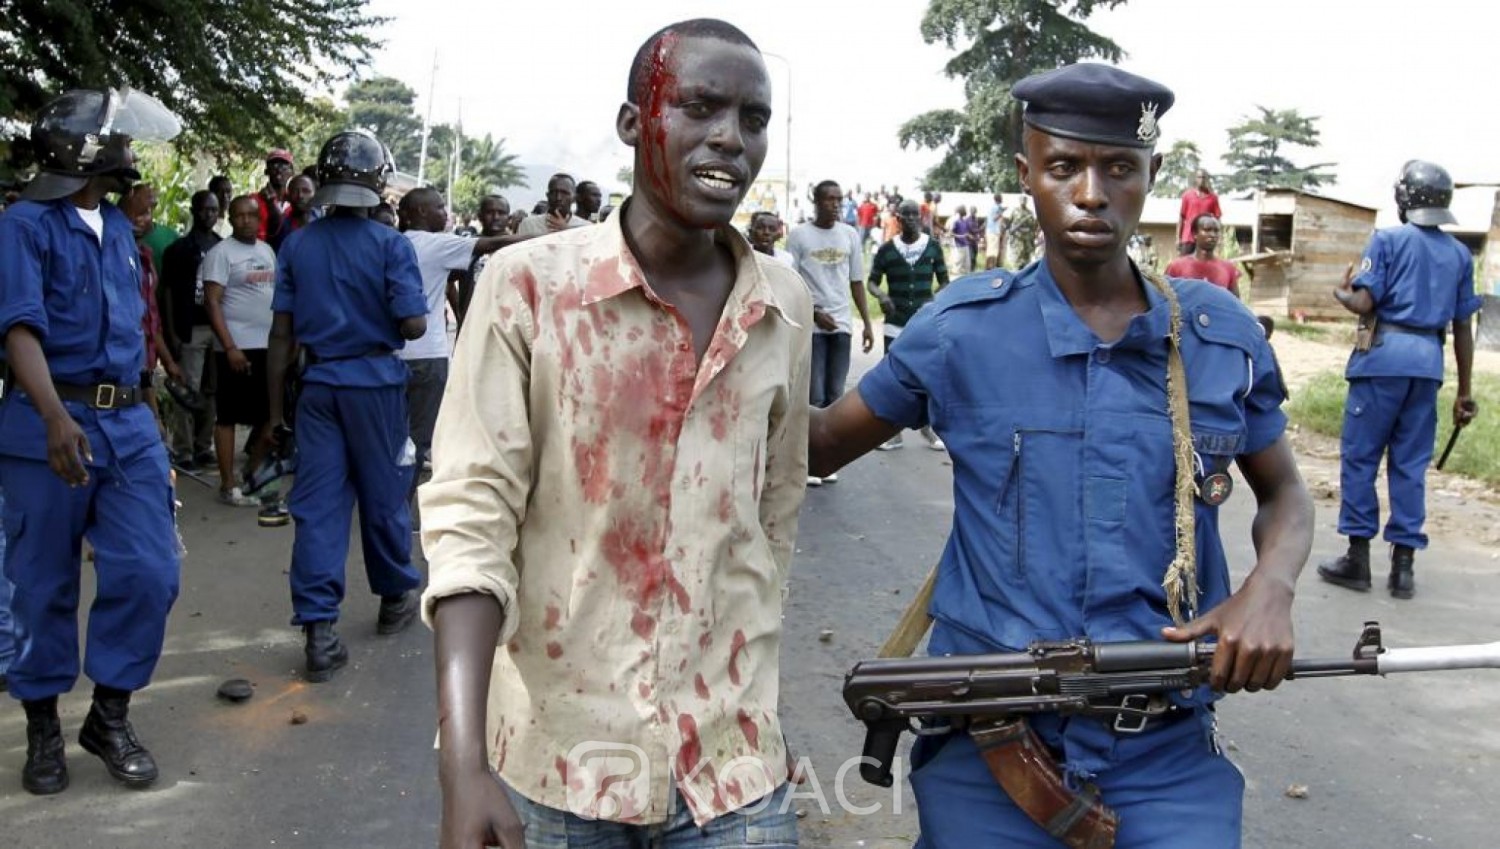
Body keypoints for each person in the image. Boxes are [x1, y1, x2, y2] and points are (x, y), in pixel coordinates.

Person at [807, 63, 1313, 847]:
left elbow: (1284, 492)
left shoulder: (1216, 337)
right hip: (991, 752)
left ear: (1153, 176)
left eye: (1119, 168)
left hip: (1167, 753)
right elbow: (817, 443)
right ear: (1025, 175)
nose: (1090, 193)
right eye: (1064, 166)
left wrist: (1270, 586)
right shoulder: (959, 332)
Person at [421, 18, 810, 848]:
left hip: (732, 772)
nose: (729, 139)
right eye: (700, 107)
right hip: (557, 766)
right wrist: (463, 768)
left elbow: (771, 521)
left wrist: (760, 708)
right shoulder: (528, 287)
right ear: (636, 123)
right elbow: (470, 519)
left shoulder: (783, 306)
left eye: (753, 118)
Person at [0, 87, 185, 795]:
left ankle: (108, 714)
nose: (131, 154)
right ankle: (43, 722)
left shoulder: (122, 233)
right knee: (42, 582)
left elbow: (134, 334)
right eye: (120, 141)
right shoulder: (26, 224)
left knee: (149, 571)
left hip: (130, 424)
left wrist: (150, 410)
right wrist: (51, 413)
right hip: (52, 424)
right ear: (86, 151)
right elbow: (20, 326)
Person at [265, 129, 429, 683]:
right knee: (383, 497)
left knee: (317, 506)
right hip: (376, 384)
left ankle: (318, 629)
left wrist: (273, 415)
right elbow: (413, 326)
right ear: (378, 182)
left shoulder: (297, 244)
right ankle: (393, 597)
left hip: (318, 387)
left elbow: (281, 338)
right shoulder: (391, 245)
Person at [1317, 160, 1481, 600]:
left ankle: (1357, 558)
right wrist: (1465, 391)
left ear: (1404, 198)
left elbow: (1365, 300)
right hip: (1428, 365)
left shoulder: (1387, 240)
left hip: (1382, 361)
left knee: (1361, 457)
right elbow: (1463, 326)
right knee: (1410, 466)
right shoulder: (1460, 255)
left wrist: (1342, 294)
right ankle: (1403, 567)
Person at [394, 187, 513, 471]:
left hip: (397, 353)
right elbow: (456, 279)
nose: (445, 214)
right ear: (422, 211)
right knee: (417, 439)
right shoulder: (446, 245)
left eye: (501, 212)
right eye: (440, 208)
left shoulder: (395, 242)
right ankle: (398, 507)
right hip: (427, 354)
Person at [787, 178, 872, 487]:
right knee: (815, 394)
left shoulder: (849, 235)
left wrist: (865, 323)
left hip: (842, 324)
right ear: (816, 201)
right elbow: (790, 281)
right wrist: (813, 314)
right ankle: (808, 460)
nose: (835, 205)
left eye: (839, 199)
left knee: (836, 395)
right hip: (812, 326)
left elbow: (857, 281)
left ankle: (827, 459)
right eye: (829, 199)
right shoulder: (799, 236)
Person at [202, 195, 278, 506]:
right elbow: (212, 302)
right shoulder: (221, 254)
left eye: (251, 215)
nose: (246, 220)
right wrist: (230, 346)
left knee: (268, 416)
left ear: (259, 218)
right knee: (229, 416)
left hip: (268, 347)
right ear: (231, 219)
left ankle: (252, 474)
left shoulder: (267, 250)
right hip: (235, 349)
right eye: (239, 216)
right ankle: (228, 485)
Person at [867, 198, 947, 451]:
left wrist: (934, 302)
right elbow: (871, 281)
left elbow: (944, 281)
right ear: (898, 219)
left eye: (915, 215)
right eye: (906, 215)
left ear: (922, 218)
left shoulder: (932, 248)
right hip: (895, 321)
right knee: (892, 377)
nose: (911, 219)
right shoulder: (887, 250)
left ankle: (927, 428)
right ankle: (893, 433)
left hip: (923, 322)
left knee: (927, 375)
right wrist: (882, 296)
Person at [159, 190, 221, 468]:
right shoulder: (180, 249)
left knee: (212, 390)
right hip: (191, 327)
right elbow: (168, 292)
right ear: (194, 211)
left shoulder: (223, 247)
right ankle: (184, 450)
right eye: (204, 209)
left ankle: (203, 446)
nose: (209, 215)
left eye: (214, 210)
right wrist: (172, 333)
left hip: (218, 328)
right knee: (187, 389)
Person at [1165, 214, 1241, 298]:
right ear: (1195, 234)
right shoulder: (1176, 267)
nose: (1212, 235)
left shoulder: (1228, 268)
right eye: (1207, 230)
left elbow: (1236, 305)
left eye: (1216, 231)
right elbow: (1163, 299)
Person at [514, 173, 591, 235]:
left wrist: (567, 232)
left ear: (574, 198)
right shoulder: (528, 224)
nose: (558, 198)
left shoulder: (586, 228)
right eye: (553, 193)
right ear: (547, 196)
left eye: (564, 193)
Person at [270, 173, 321, 251]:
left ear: (315, 195)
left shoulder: (324, 223)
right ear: (288, 196)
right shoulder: (281, 227)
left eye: (306, 191)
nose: (300, 195)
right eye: (295, 191)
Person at [1177, 169, 1221, 256]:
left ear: (1207, 180)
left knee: (1204, 266)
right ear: (1196, 179)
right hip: (1188, 238)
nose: (1202, 180)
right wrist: (1178, 238)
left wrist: (1219, 238)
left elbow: (1217, 220)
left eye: (1204, 178)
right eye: (1199, 177)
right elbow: (1181, 218)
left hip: (1205, 239)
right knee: (1185, 265)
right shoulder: (1187, 196)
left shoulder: (1213, 198)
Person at [254, 149, 294, 243]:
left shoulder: (297, 202)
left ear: (291, 172)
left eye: (284, 166)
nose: (279, 170)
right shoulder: (253, 201)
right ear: (266, 171)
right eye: (274, 165)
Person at [948, 205, 975, 275]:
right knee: (957, 267)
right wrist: (962, 236)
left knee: (967, 267)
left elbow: (966, 233)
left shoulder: (965, 221)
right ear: (961, 212)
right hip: (959, 247)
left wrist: (969, 236)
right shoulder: (956, 222)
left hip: (966, 246)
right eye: (964, 210)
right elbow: (950, 234)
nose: (966, 211)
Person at [984, 193, 1006, 270]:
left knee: (992, 250)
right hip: (993, 232)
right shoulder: (996, 208)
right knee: (993, 251)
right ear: (999, 199)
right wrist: (1001, 213)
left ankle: (990, 267)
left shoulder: (993, 207)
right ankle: (991, 267)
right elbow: (994, 218)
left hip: (991, 231)